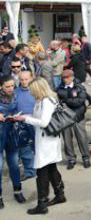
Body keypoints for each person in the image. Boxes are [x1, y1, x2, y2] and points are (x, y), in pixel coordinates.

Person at [13, 78, 65, 215]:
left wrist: (26, 119)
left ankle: (42, 204)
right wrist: (25, 116)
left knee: (42, 171)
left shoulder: (46, 101)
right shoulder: (42, 100)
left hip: (47, 141)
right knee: (51, 167)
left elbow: (43, 122)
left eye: (31, 90)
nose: (30, 93)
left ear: (37, 89)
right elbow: (38, 116)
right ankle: (60, 194)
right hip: (48, 140)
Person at [56, 70, 91, 170]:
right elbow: (57, 102)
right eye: (63, 77)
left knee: (82, 137)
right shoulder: (59, 88)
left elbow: (79, 101)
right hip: (65, 117)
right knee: (67, 139)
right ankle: (71, 159)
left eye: (67, 77)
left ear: (72, 77)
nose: (65, 79)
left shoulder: (79, 87)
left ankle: (86, 158)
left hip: (78, 115)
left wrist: (66, 101)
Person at [0, 75, 26, 209]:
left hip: (12, 133)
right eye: (7, 86)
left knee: (14, 165)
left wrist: (17, 116)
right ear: (1, 87)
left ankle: (18, 191)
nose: (10, 89)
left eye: (12, 86)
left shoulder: (17, 96)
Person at [16, 71, 36, 181]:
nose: (24, 82)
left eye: (26, 79)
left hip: (36, 123)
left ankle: (41, 169)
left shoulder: (36, 90)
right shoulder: (16, 92)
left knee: (37, 146)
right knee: (25, 148)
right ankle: (29, 171)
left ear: (31, 78)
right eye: (22, 79)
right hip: (21, 125)